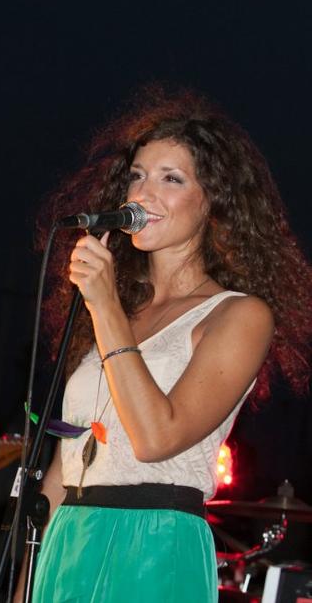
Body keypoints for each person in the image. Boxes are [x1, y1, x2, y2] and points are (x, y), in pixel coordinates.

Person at [27, 88, 312, 602]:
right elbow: (67, 462)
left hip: (154, 541)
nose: (143, 193)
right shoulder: (116, 311)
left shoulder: (237, 315)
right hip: (70, 537)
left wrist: (106, 307)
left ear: (214, 201)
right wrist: (28, 575)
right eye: (137, 176)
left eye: (171, 179)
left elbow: (157, 438)